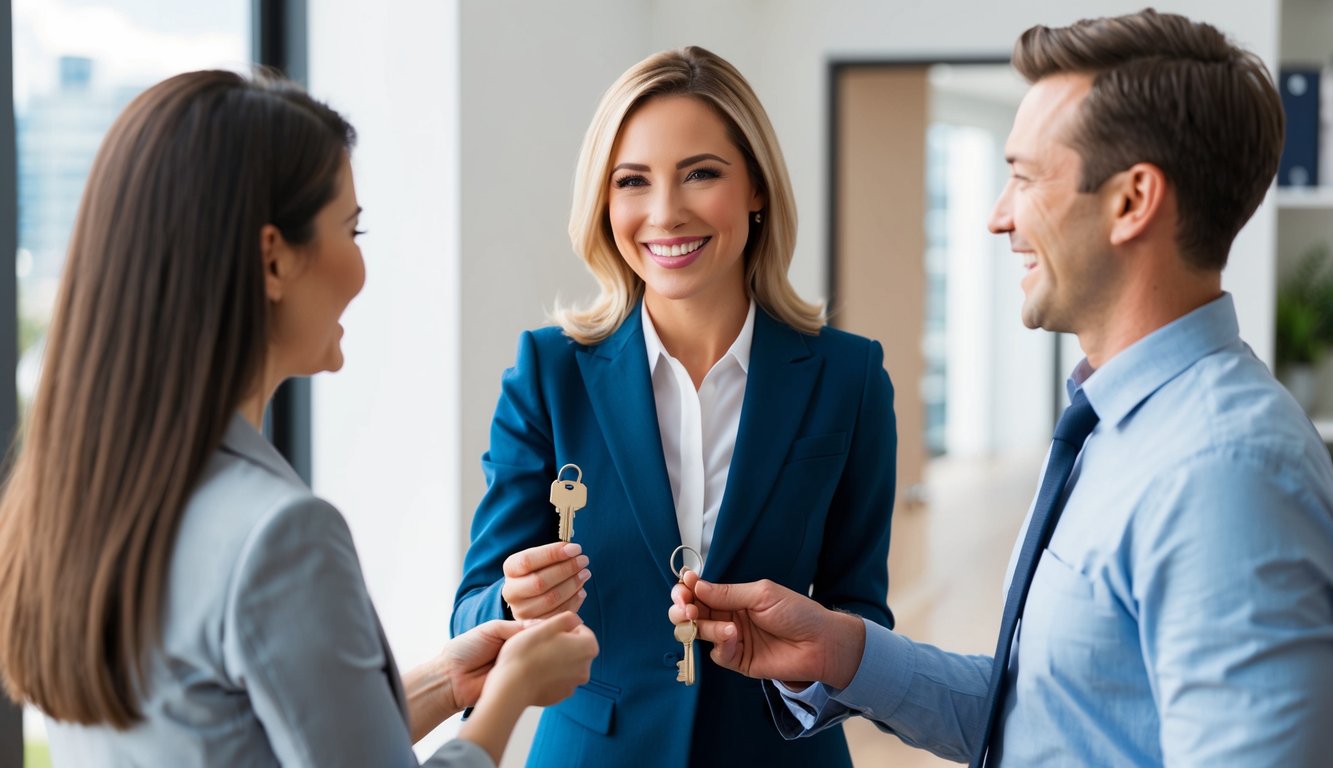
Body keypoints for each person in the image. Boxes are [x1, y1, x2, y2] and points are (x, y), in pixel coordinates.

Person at [671, 9, 1333, 766]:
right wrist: (844, 652)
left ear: (1131, 201)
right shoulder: (1117, 431)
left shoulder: (1227, 471)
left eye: (1022, 177)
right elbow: (1051, 716)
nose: (996, 217)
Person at [0, 69, 597, 767]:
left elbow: (234, 739)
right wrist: (511, 695)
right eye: (352, 227)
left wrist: (443, 684)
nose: (362, 266)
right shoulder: (279, 536)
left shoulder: (82, 504)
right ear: (274, 259)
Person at [452, 46, 897, 767]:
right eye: (632, 181)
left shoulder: (849, 376)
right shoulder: (548, 371)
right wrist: (512, 603)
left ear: (755, 187)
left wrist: (805, 666)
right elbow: (471, 607)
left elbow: (861, 613)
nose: (664, 213)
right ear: (603, 201)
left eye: (701, 173)